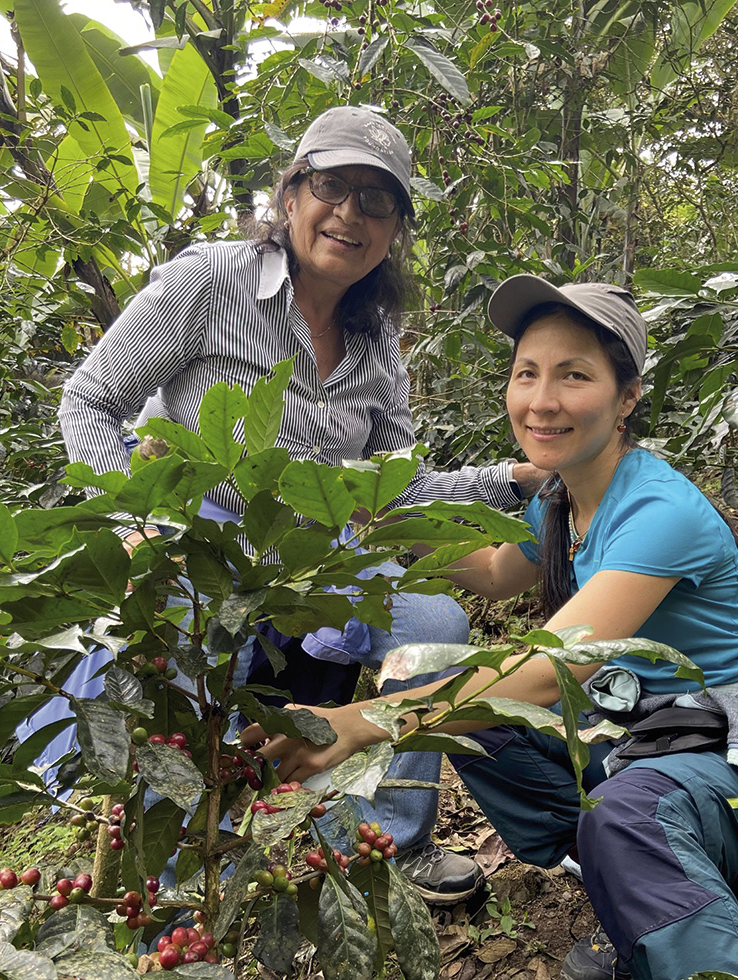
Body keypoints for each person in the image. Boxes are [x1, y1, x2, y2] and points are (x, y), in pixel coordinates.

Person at [240, 275, 738, 980]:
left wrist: (359, 721)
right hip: (640, 726)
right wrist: (370, 514)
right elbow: (495, 573)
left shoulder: (658, 511)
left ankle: (686, 908)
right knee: (445, 687)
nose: (542, 399)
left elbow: (556, 664)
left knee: (627, 816)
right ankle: (643, 890)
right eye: (527, 373)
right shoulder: (558, 503)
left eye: (574, 375)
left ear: (627, 397)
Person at [54, 105, 548, 905]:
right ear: (290, 197)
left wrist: (512, 481)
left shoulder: (379, 335)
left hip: (324, 546)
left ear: (395, 230)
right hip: (205, 538)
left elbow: (401, 487)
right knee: (179, 672)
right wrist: (134, 527)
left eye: (377, 200)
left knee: (435, 626)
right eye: (331, 186)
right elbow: (88, 398)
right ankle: (172, 878)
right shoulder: (208, 281)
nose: (349, 213)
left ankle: (394, 842)